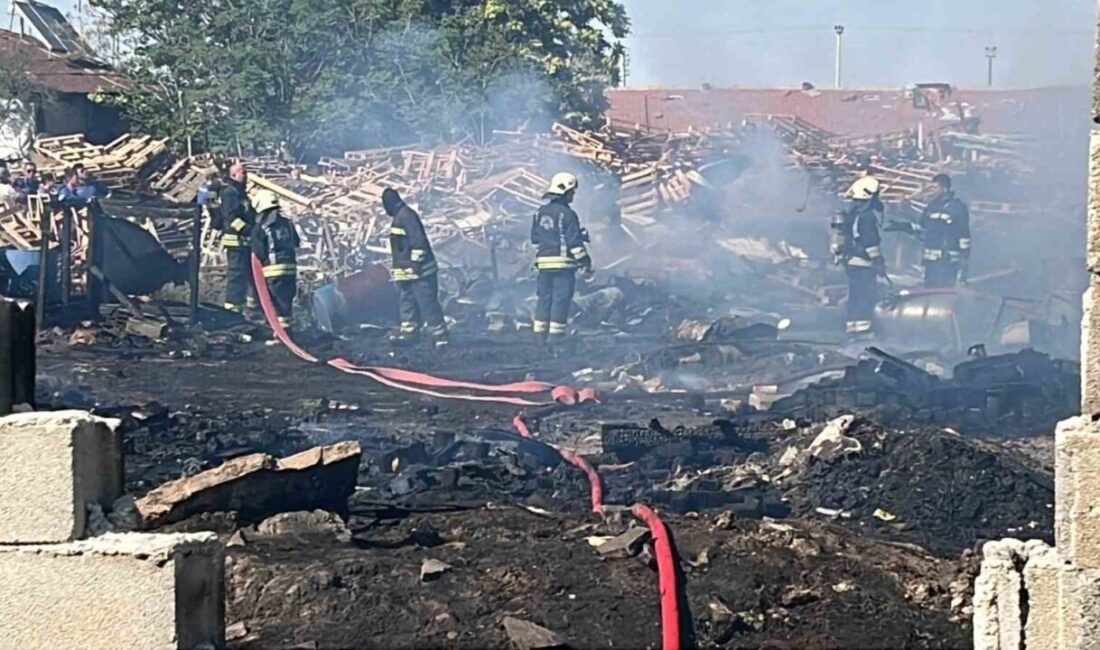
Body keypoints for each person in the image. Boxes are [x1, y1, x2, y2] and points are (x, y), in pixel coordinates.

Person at [531, 172, 593, 342]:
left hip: (543, 265)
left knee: (544, 299)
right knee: (561, 300)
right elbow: (573, 243)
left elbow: (535, 238)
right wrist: (585, 261)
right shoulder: (568, 214)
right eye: (572, 192)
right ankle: (555, 337)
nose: (573, 195)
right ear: (565, 192)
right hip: (563, 266)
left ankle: (539, 337)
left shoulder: (539, 213)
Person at [383, 188, 447, 346]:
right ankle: (409, 334)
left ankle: (440, 336)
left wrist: (414, 265)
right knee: (408, 304)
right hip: (408, 275)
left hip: (420, 273)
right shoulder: (400, 217)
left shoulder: (407, 216)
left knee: (428, 304)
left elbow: (419, 243)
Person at [887, 173, 971, 288]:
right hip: (931, 262)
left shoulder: (957, 208)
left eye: (934, 187)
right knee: (930, 289)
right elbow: (921, 228)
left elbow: (964, 234)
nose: (931, 191)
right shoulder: (931, 207)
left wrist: (964, 260)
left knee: (944, 291)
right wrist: (901, 226)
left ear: (944, 188)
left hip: (947, 261)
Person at [832, 176, 885, 339]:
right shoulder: (867, 216)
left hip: (851, 262)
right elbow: (870, 242)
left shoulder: (852, 214)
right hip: (863, 263)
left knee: (855, 295)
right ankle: (863, 330)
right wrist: (878, 261)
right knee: (865, 295)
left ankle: (853, 328)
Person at [250, 190, 300, 331]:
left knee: (274, 305)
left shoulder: (260, 227)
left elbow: (259, 252)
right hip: (290, 269)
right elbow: (296, 242)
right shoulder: (288, 223)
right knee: (286, 302)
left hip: (272, 272)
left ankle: (278, 333)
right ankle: (287, 331)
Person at [218, 162, 256, 313]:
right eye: (242, 173)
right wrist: (248, 230)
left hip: (245, 242)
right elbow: (232, 217)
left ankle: (250, 307)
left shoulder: (241, 193)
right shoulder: (230, 193)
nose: (245, 175)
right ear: (234, 175)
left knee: (249, 275)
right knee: (237, 275)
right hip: (235, 240)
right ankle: (232, 309)